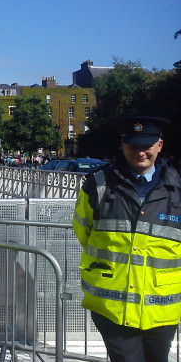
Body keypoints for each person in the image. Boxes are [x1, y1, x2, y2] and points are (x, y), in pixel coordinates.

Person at [72, 116, 181, 362]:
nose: (140, 152)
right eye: (133, 145)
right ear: (122, 145)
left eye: (147, 146)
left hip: (162, 306)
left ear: (159, 146)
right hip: (113, 305)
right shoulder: (98, 184)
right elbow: (83, 230)